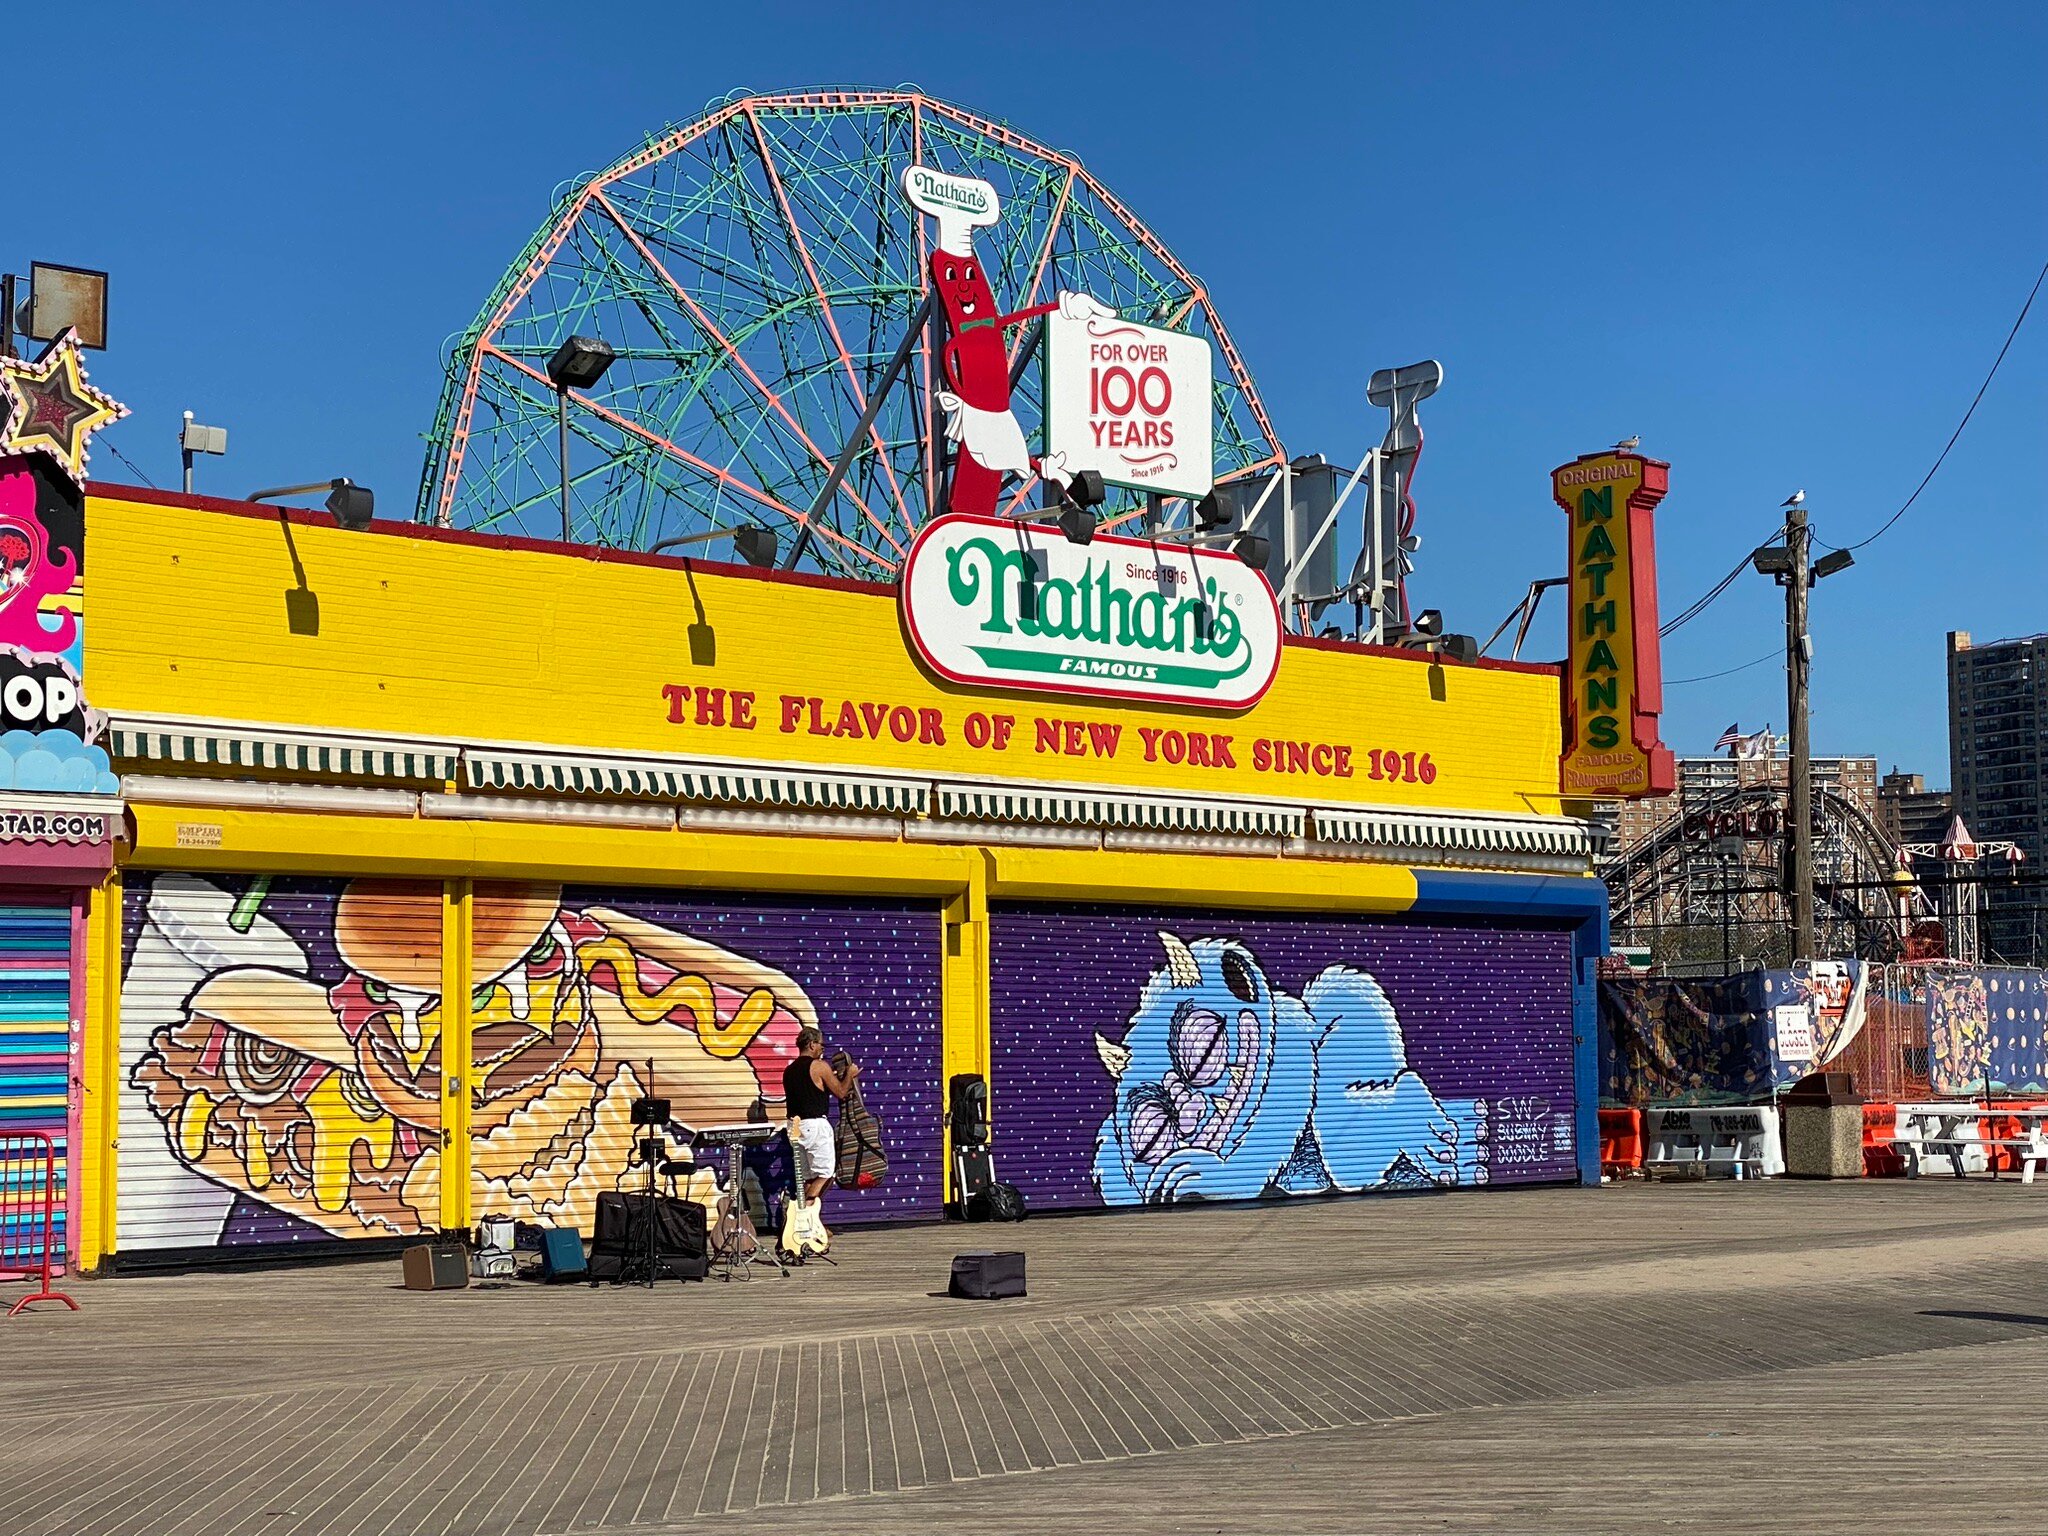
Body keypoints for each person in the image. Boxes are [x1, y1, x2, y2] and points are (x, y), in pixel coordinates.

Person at [782, 1027, 857, 1208]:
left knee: (808, 1177)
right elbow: (840, 1092)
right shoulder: (819, 1066)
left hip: (794, 1126)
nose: (822, 1049)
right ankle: (803, 1214)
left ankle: (813, 1223)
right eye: (821, 1045)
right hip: (815, 1124)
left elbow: (809, 1088)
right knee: (826, 1173)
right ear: (812, 1044)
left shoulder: (789, 1070)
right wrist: (850, 1074)